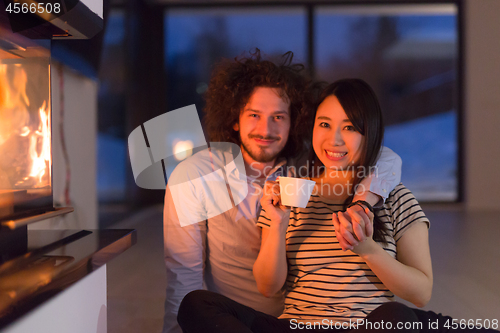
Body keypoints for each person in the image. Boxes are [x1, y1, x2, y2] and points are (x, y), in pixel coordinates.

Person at [176, 79, 498, 333]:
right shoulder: (292, 191)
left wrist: (368, 249)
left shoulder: (394, 197)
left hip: (366, 326)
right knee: (196, 305)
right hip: (297, 325)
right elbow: (267, 286)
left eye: (350, 127)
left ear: (369, 132)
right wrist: (276, 224)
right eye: (325, 124)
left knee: (397, 317)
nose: (335, 140)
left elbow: (420, 292)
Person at [163, 53, 402, 333]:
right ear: (235, 119)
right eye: (254, 115)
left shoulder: (305, 165)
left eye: (279, 117)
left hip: (301, 318)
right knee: (194, 304)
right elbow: (183, 276)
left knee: (402, 317)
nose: (266, 129)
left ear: (295, 123)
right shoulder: (195, 176)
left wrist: (362, 203)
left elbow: (386, 157)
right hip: (237, 322)